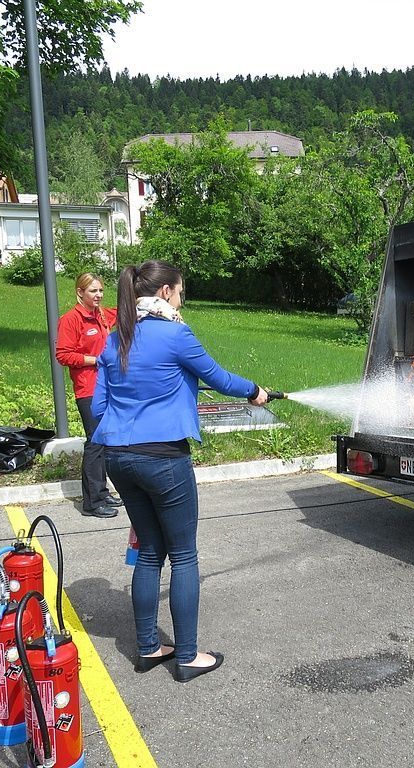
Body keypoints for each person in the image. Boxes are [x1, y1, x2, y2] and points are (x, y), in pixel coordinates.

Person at [92, 261, 268, 683]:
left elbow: (99, 408)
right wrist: (255, 391)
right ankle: (188, 656)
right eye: (181, 292)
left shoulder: (115, 339)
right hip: (164, 459)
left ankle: (149, 648)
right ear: (167, 291)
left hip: (118, 457)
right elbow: (218, 377)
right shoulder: (175, 334)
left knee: (151, 551)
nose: (182, 298)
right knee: (183, 554)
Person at [55, 273, 122, 518]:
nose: (99, 295)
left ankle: (102, 492)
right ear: (80, 293)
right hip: (88, 390)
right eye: (93, 291)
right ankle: (91, 502)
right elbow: (63, 355)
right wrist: (95, 360)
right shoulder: (71, 320)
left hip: (108, 387)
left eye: (101, 291)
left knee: (105, 441)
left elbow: (126, 311)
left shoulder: (102, 315)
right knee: (95, 442)